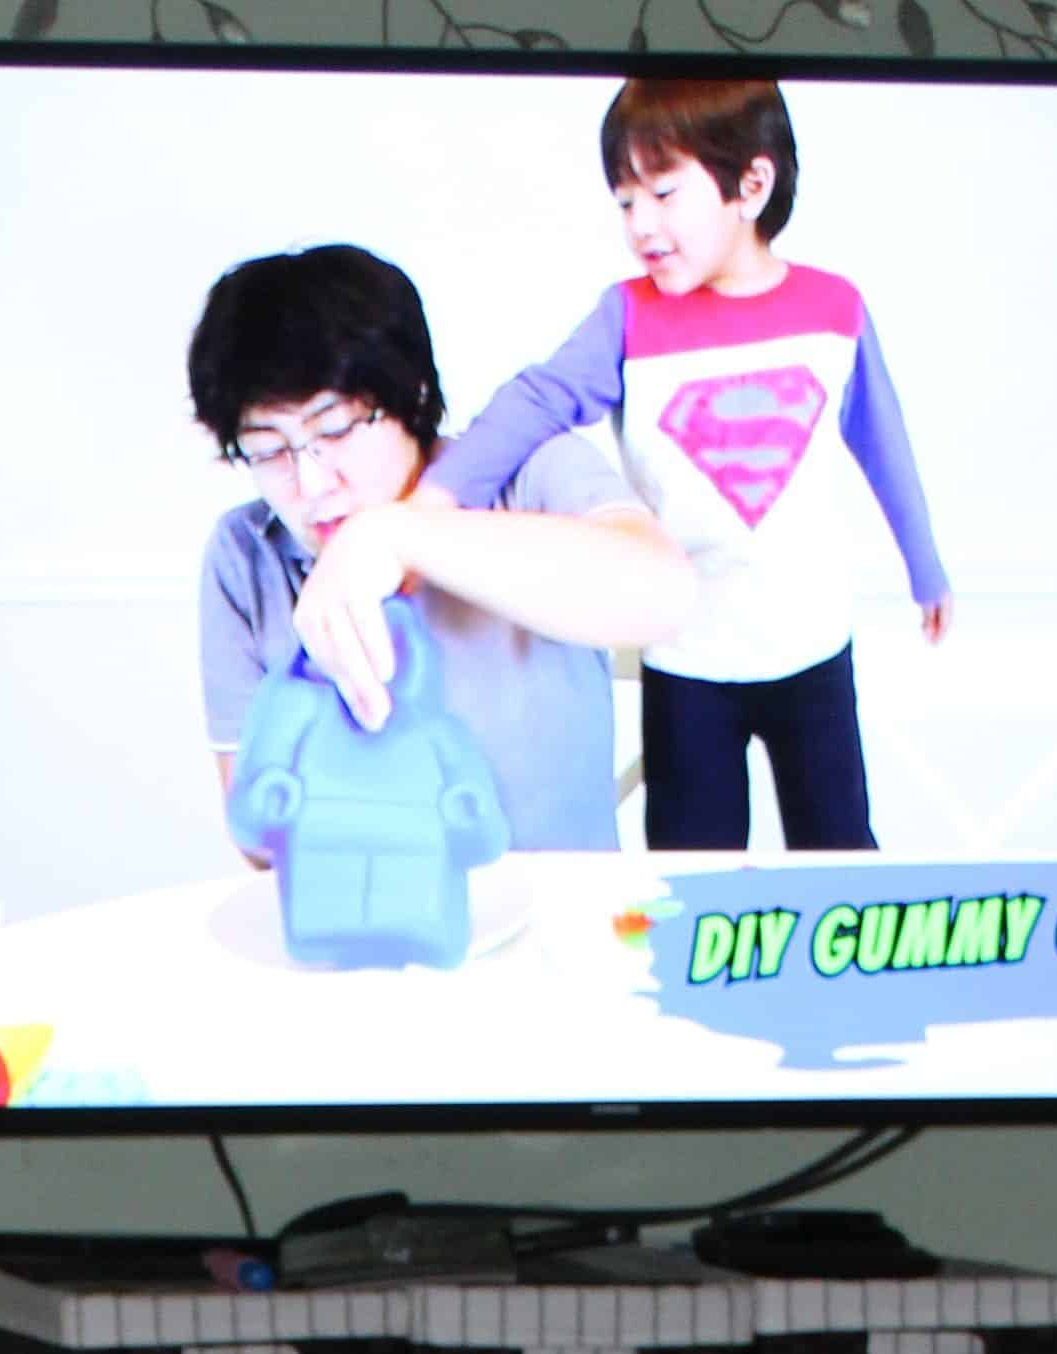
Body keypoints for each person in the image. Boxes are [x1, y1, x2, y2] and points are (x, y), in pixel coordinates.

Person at [397, 73, 953, 856]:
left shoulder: (835, 310)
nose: (640, 226)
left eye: (662, 193)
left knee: (840, 855)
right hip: (686, 659)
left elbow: (882, 439)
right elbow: (536, 401)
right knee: (688, 866)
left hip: (812, 647)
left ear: (751, 183)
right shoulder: (628, 318)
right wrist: (434, 504)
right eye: (625, 202)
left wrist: (924, 567)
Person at [189, 242, 687, 857]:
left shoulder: (526, 472)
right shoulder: (245, 556)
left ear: (414, 397)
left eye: (336, 430)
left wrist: (397, 534)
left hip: (560, 916)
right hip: (362, 926)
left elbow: (663, 595)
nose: (312, 485)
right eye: (268, 450)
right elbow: (260, 846)